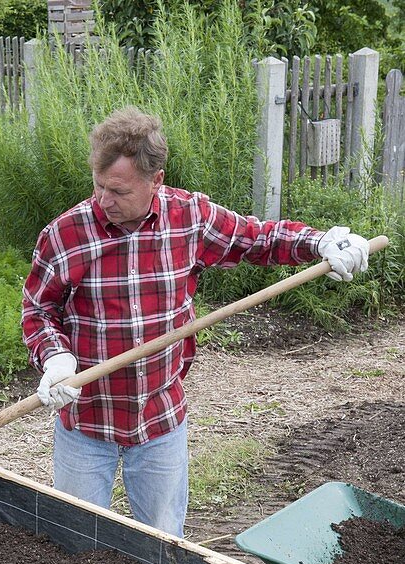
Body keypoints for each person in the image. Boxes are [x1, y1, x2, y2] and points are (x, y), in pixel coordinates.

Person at [21, 106, 369, 538]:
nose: (103, 200)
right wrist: (55, 359)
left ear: (156, 181)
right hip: (88, 421)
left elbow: (256, 239)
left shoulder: (189, 218)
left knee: (166, 547)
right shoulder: (66, 233)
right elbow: (38, 310)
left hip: (160, 417)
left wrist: (319, 242)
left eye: (118, 190)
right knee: (73, 543)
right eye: (98, 185)